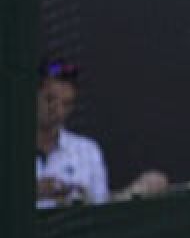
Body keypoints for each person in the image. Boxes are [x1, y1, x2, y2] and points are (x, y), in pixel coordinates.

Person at [35, 58, 169, 210]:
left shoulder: (87, 151)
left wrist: (134, 192)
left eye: (66, 104)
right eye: (49, 100)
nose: (58, 111)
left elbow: (100, 211)